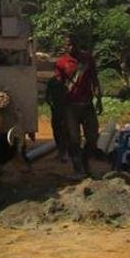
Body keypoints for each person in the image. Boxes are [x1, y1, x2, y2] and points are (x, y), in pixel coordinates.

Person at [54, 32, 103, 177]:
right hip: (70, 107)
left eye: (73, 43)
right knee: (74, 139)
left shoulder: (87, 59)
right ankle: (78, 168)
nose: (71, 47)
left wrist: (99, 99)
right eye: (68, 44)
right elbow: (58, 85)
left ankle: (85, 162)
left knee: (93, 137)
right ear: (64, 46)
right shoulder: (61, 63)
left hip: (87, 104)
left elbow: (95, 79)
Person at [44, 75, 69, 162]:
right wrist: (51, 105)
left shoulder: (69, 80)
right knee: (57, 130)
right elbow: (47, 96)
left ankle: (65, 152)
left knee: (66, 130)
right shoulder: (53, 81)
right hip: (56, 109)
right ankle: (61, 151)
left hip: (67, 109)